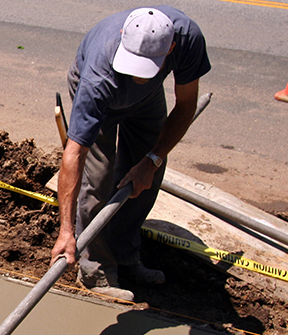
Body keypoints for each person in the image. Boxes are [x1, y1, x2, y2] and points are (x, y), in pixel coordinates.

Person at [50, 6, 211, 301]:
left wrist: (151, 160)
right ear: (124, 36)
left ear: (171, 48)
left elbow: (187, 105)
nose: (137, 74)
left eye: (145, 68)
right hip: (105, 96)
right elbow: (73, 154)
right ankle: (95, 269)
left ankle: (125, 255)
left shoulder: (188, 38)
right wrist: (65, 231)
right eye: (133, 65)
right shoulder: (97, 78)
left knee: (147, 176)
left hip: (148, 100)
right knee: (99, 178)